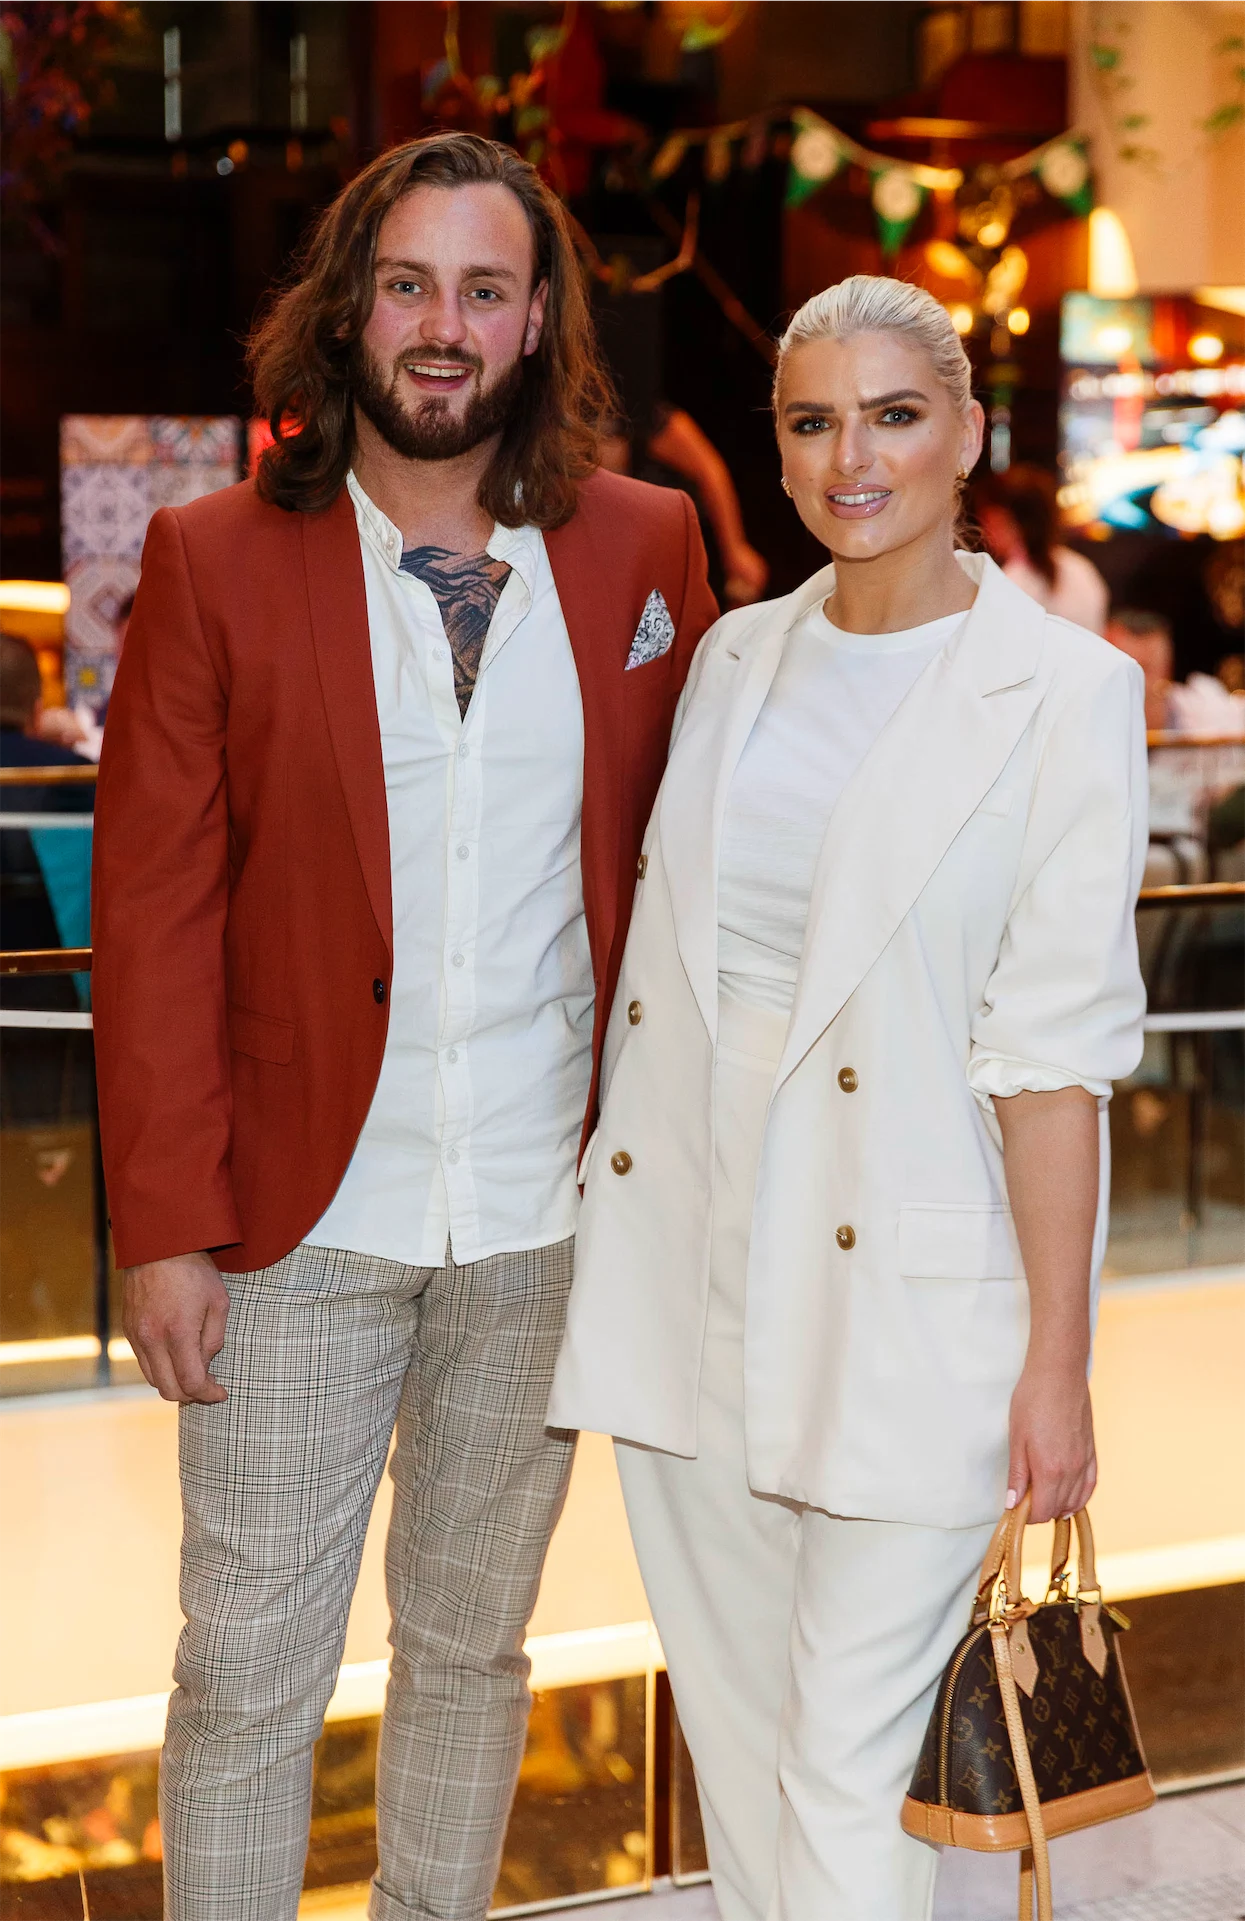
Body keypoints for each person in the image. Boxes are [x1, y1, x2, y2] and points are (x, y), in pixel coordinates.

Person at [91, 131, 716, 1921]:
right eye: (409, 283)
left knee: (471, 1648)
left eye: (484, 289)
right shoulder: (213, 558)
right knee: (245, 1676)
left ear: (537, 322)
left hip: (544, 1223)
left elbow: (707, 850)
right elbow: (152, 918)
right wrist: (167, 1228)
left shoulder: (646, 548)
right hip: (294, 1228)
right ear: (349, 309)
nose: (445, 324)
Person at [548, 276, 1148, 1921]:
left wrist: (1059, 1362)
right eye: (813, 422)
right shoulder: (735, 657)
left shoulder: (1067, 691)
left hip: (916, 1299)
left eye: (894, 415)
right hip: (693, 1268)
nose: (851, 458)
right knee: (750, 1764)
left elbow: (1054, 1059)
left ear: (967, 433)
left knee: (840, 1773)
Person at [976, 461, 1110, 634]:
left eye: (989, 522)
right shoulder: (1081, 568)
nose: (985, 532)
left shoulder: (1012, 583)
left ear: (1011, 523)